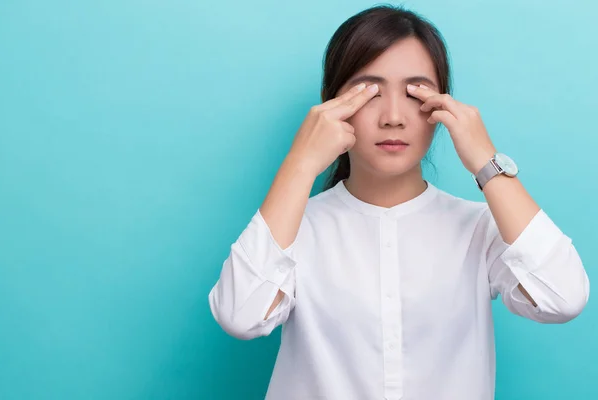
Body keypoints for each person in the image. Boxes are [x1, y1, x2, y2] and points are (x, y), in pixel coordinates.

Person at [208, 5, 590, 400]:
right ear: (331, 105)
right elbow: (239, 315)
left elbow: (563, 298)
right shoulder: (294, 229)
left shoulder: (480, 229)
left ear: (443, 105)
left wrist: (485, 160)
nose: (393, 117)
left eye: (414, 92)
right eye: (369, 92)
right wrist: (300, 163)